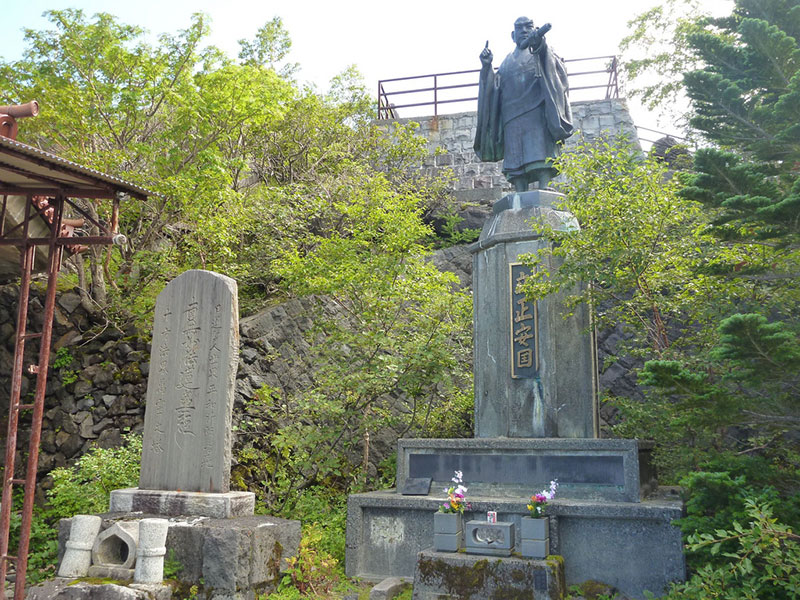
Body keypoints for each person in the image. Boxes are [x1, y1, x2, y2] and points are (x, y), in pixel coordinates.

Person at [474, 17, 574, 192]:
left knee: (541, 148)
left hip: (536, 109)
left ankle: (544, 184)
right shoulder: (506, 63)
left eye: (528, 27)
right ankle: (519, 189)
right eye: (519, 28)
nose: (524, 31)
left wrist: (541, 47)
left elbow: (555, 72)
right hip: (511, 115)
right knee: (515, 156)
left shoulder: (542, 50)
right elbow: (494, 88)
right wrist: (487, 67)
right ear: (513, 35)